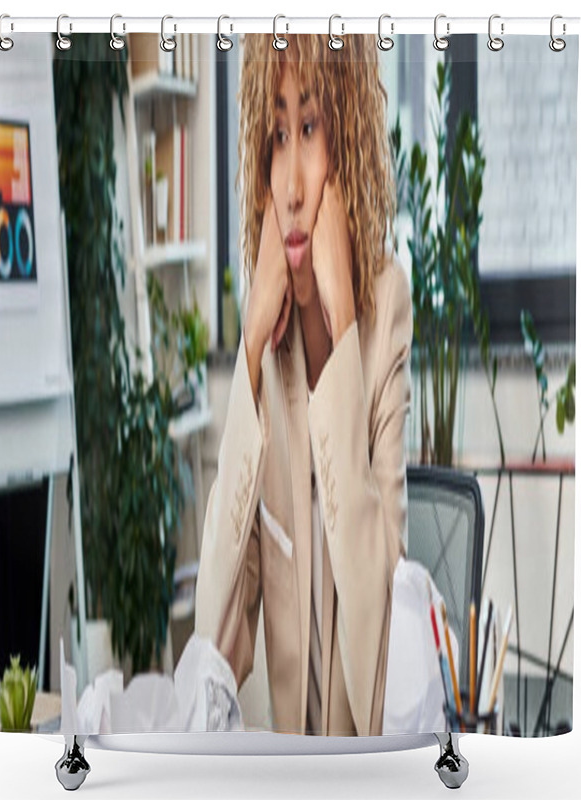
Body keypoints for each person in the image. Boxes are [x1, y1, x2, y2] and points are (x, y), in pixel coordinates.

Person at [195, 33, 413, 737]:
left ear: (346, 143)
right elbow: (212, 644)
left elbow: (382, 685)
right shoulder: (267, 335)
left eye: (311, 129)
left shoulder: (387, 310)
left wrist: (345, 327)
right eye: (277, 135)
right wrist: (251, 351)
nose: (291, 188)